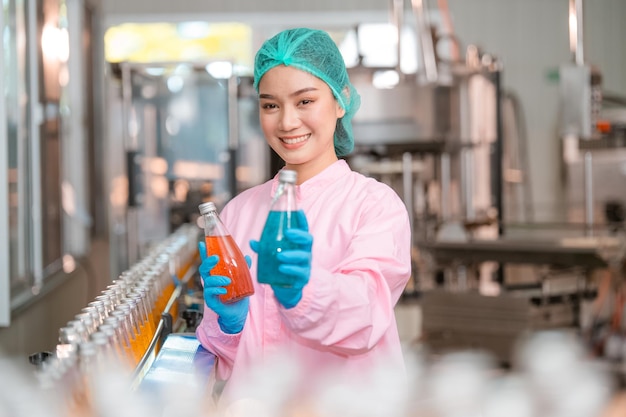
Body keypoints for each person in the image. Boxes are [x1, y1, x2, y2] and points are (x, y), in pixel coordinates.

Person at [195, 27, 412, 407]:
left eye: (305, 101)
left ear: (341, 100)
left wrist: (304, 292)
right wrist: (228, 325)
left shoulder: (375, 205)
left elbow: (365, 315)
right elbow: (228, 363)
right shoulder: (239, 212)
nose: (287, 123)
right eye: (270, 105)